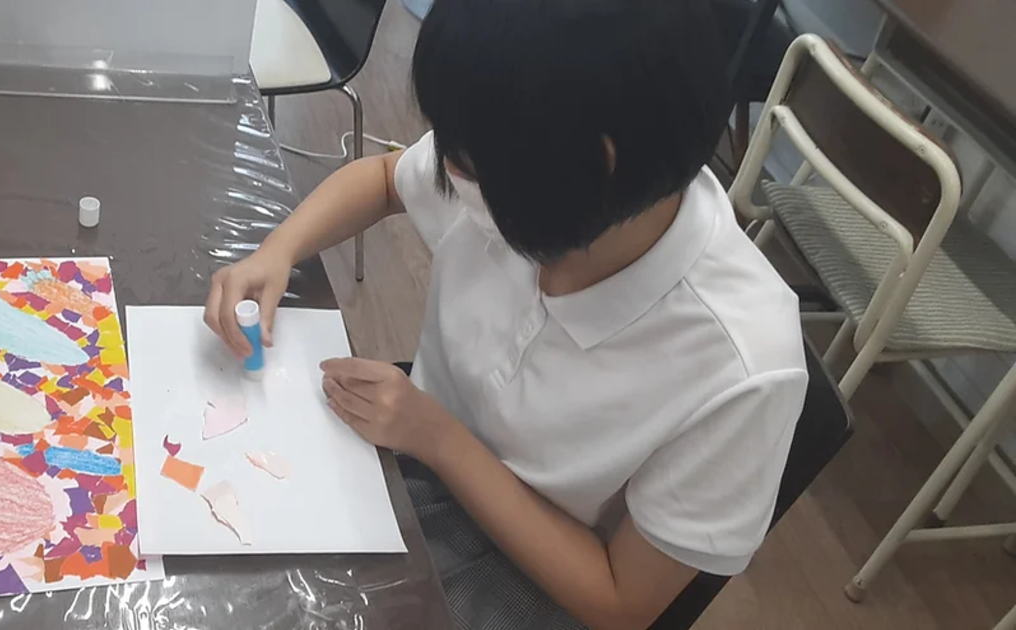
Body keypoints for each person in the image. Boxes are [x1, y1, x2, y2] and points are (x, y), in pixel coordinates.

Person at [205, 1, 807, 628]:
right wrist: (277, 252)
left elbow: (621, 601)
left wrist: (439, 438)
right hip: (415, 450)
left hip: (535, 572)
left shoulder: (742, 369)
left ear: (591, 165)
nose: (450, 169)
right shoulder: (537, 158)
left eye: (470, 161)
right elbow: (386, 178)